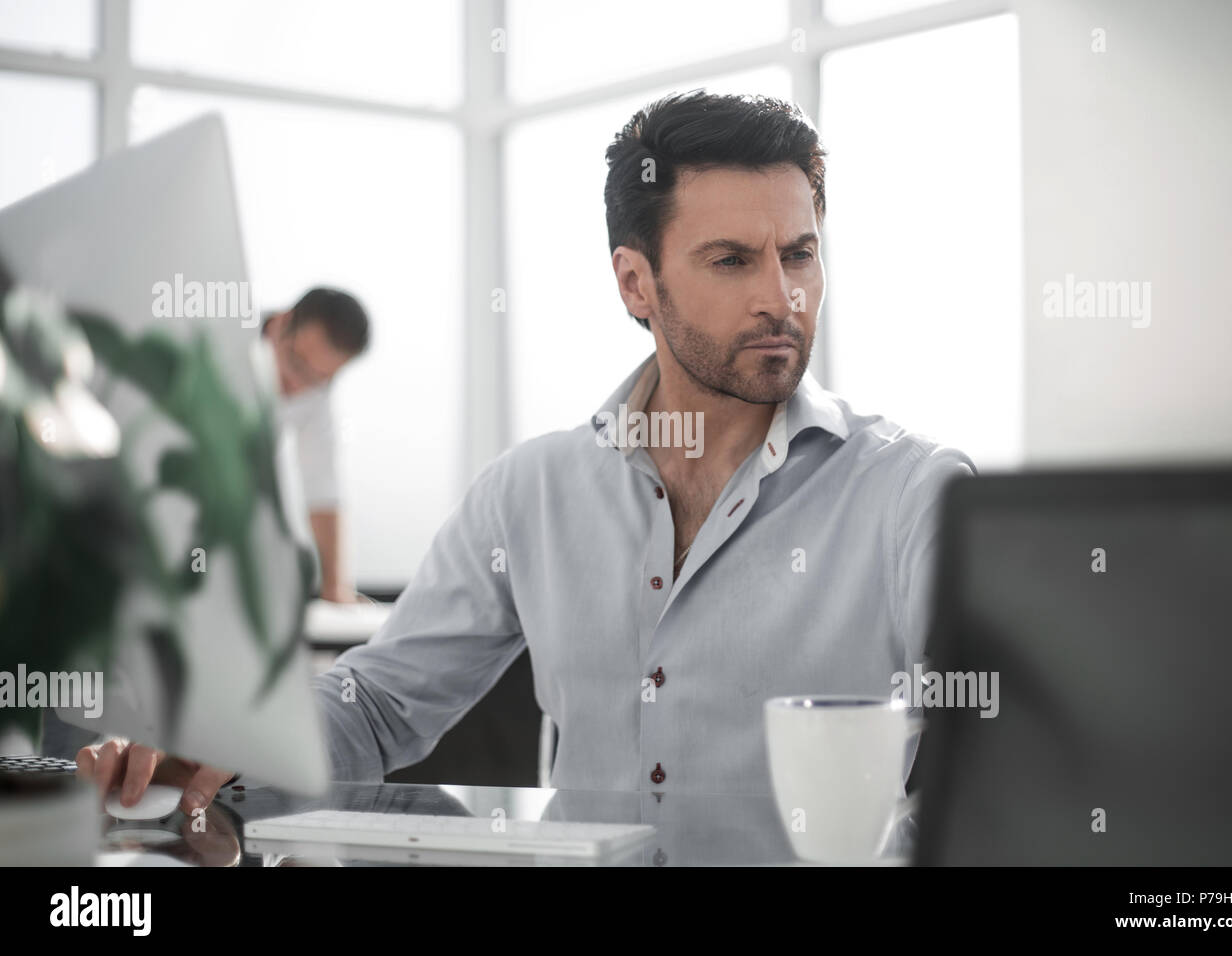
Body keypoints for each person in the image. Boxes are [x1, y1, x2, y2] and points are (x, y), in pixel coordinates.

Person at [79, 92, 976, 815]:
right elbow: (384, 701)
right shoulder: (533, 491)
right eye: (733, 260)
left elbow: (992, 768)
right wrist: (235, 745)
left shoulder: (916, 497)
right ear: (636, 283)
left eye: (801, 254)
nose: (782, 298)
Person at [262, 287, 370, 604]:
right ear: (282, 322)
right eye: (295, 361)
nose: (296, 385)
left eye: (316, 377)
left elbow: (323, 489)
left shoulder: (316, 394)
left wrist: (335, 587)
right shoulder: (216, 341)